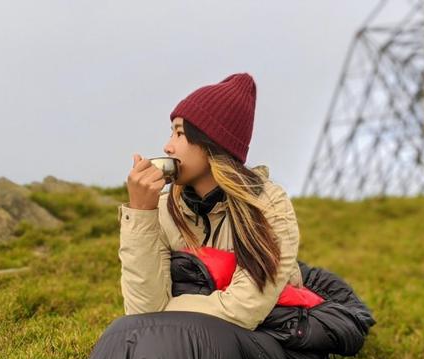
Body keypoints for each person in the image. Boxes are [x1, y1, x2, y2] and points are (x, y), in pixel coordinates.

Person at [118, 72, 303, 331]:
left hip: (257, 340)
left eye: (179, 134)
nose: (168, 147)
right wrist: (140, 213)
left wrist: (160, 315)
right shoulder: (162, 210)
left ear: (212, 143)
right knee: (121, 338)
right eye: (171, 133)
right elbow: (141, 310)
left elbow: (242, 311)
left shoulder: (268, 205)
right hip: (185, 340)